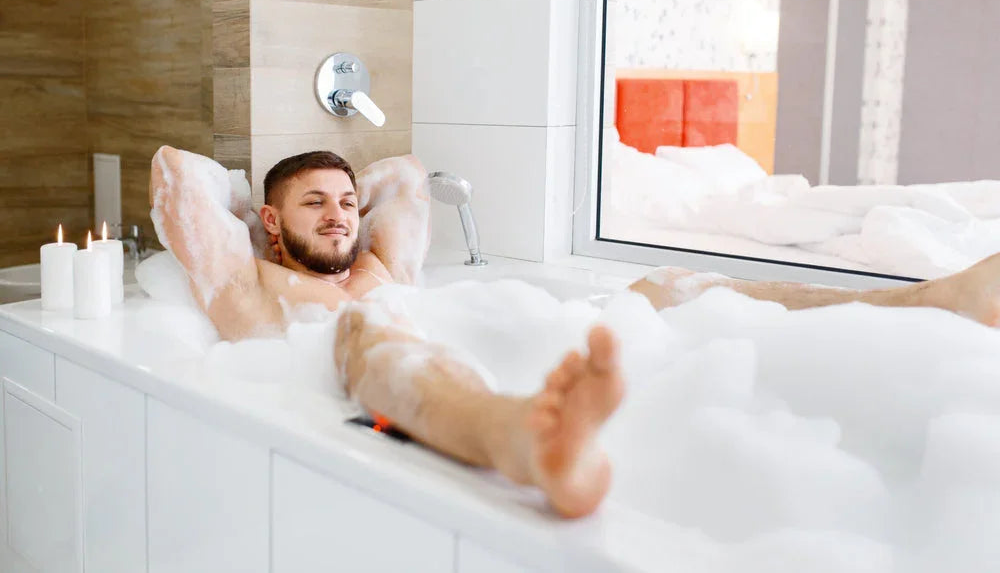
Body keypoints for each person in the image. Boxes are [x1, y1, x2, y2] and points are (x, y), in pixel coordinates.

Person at [151, 145, 1000, 518]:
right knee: (371, 339)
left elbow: (405, 179)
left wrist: (341, 202)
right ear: (267, 219)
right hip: (365, 365)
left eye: (346, 201)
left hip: (474, 335)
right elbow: (177, 176)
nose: (341, 216)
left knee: (663, 283)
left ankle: (932, 303)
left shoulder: (385, 269)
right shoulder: (252, 286)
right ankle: (520, 439)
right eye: (315, 205)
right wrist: (257, 210)